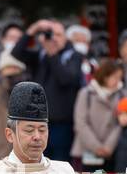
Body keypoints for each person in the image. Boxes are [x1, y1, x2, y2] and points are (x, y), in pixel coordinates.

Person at [12, 18, 85, 162]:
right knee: (37, 164)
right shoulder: (40, 55)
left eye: (58, 35)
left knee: (59, 164)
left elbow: (66, 79)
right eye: (50, 35)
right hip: (39, 122)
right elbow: (16, 53)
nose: (54, 39)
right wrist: (33, 29)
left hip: (62, 123)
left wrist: (53, 55)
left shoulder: (74, 56)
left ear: (65, 38)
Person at [71, 58, 123, 173]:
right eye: (115, 77)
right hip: (85, 152)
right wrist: (96, 147)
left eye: (120, 78)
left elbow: (120, 124)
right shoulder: (86, 94)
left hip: (110, 153)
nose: (118, 81)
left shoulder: (121, 95)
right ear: (105, 76)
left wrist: (108, 147)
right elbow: (80, 123)